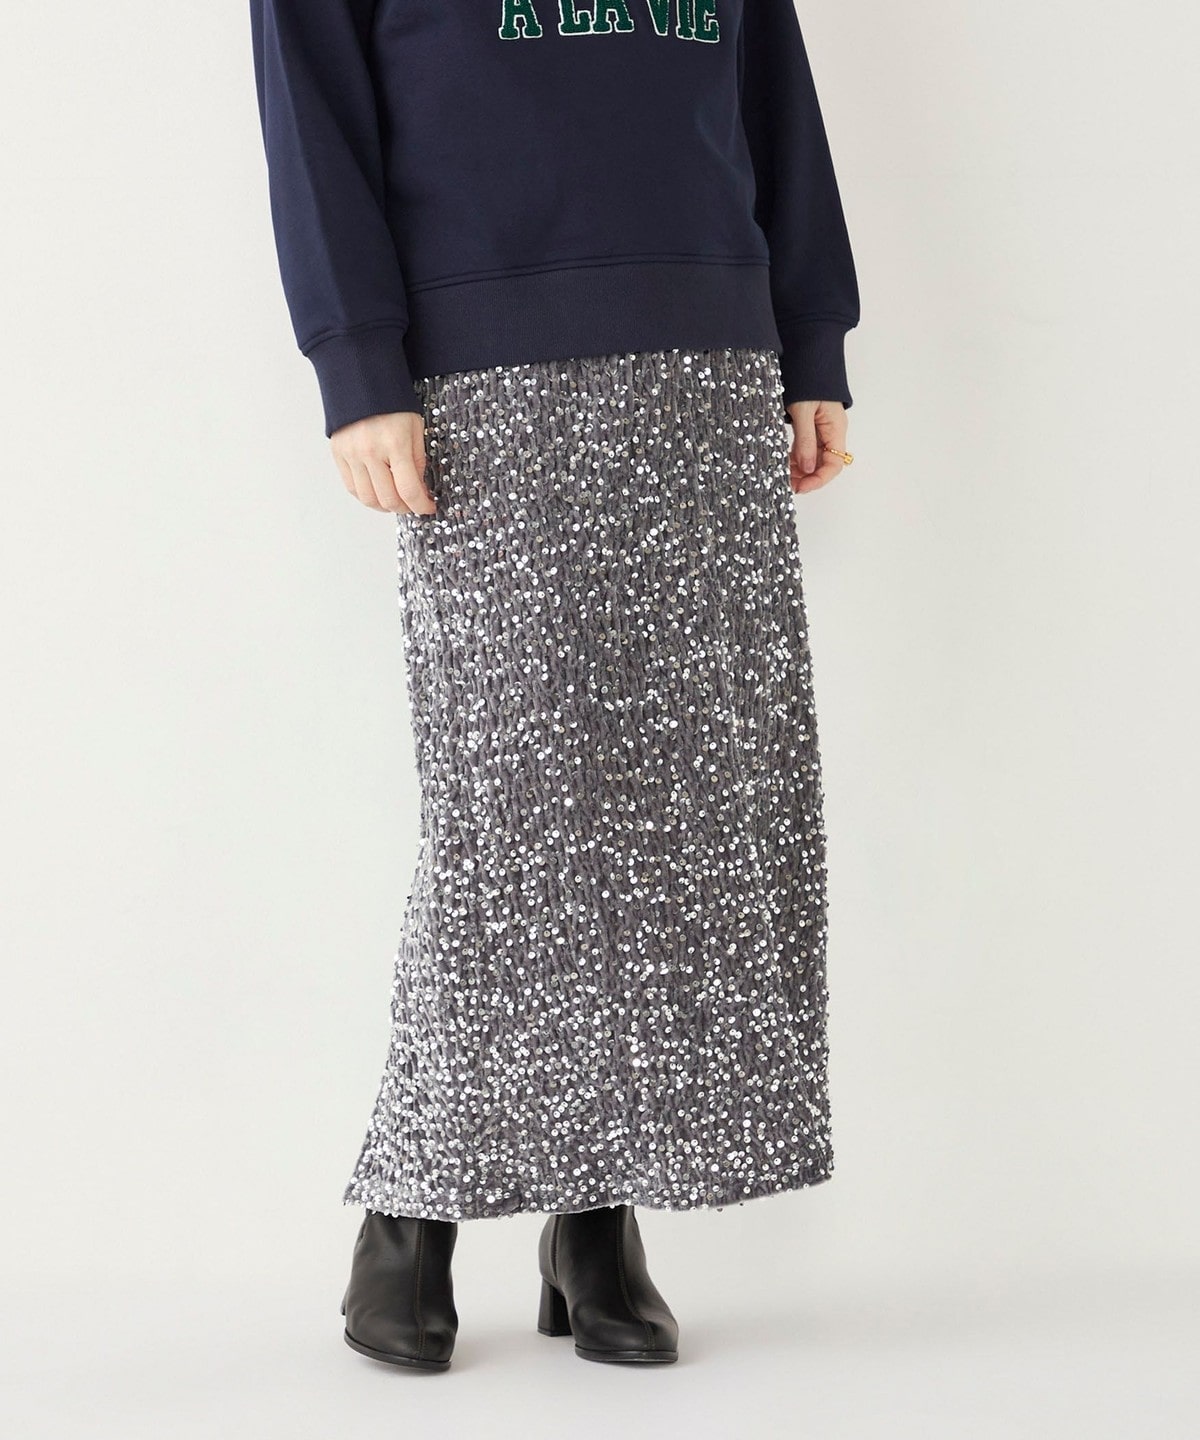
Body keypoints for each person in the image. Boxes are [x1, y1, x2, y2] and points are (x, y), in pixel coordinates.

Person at [248, 0, 860, 1372]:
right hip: (484, 365)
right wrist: (358, 362)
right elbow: (313, 115)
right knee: (513, 815)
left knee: (689, 808)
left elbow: (770, 82)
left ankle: (596, 1218)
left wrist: (811, 330)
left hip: (710, 347)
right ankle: (412, 1207)